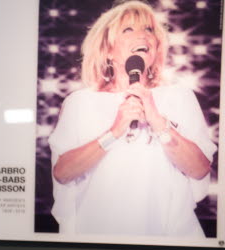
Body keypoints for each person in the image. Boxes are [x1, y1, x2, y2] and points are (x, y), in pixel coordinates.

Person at [49, 0, 217, 236]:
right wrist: (114, 132)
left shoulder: (180, 97)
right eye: (129, 29)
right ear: (107, 49)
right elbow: (62, 173)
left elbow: (200, 169)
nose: (144, 36)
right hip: (97, 241)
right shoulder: (79, 102)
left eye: (149, 30)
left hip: (169, 243)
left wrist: (158, 121)